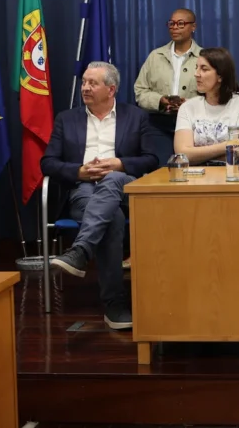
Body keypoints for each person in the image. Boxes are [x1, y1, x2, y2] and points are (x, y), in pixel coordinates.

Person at [43, 61, 158, 329]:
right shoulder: (66, 119)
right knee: (112, 219)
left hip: (124, 188)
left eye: (92, 83)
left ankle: (80, 251)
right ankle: (114, 305)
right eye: (84, 82)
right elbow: (48, 163)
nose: (85, 87)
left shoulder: (136, 116)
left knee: (114, 179)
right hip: (83, 189)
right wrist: (79, 171)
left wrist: (119, 164)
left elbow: (152, 159)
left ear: (111, 89)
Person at [134, 8, 201, 163]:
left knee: (191, 169)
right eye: (171, 23)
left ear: (193, 27)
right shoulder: (155, 56)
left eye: (181, 23)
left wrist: (187, 104)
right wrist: (160, 101)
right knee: (162, 168)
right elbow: (140, 91)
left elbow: (212, 95)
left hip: (194, 125)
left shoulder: (203, 57)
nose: (175, 27)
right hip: (158, 124)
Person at [174, 47, 239, 165]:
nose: (196, 74)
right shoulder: (187, 107)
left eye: (204, 69)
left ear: (220, 76)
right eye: (196, 68)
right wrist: (228, 145)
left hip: (236, 172)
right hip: (198, 174)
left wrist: (197, 154)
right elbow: (183, 155)